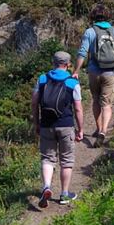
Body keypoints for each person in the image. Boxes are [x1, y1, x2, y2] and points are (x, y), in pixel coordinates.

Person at [31, 51, 84, 208]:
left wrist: (37, 124)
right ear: (68, 65)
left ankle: (47, 186)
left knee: (47, 158)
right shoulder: (72, 82)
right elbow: (79, 109)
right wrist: (80, 129)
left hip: (47, 125)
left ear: (53, 63)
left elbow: (34, 103)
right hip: (66, 125)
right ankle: (64, 194)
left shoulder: (42, 79)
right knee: (66, 160)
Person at [72, 4, 114, 147]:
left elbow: (82, 52)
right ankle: (103, 131)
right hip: (110, 72)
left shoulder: (90, 32)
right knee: (107, 104)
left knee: (96, 99)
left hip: (94, 71)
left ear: (93, 17)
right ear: (108, 16)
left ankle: (98, 127)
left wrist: (76, 70)